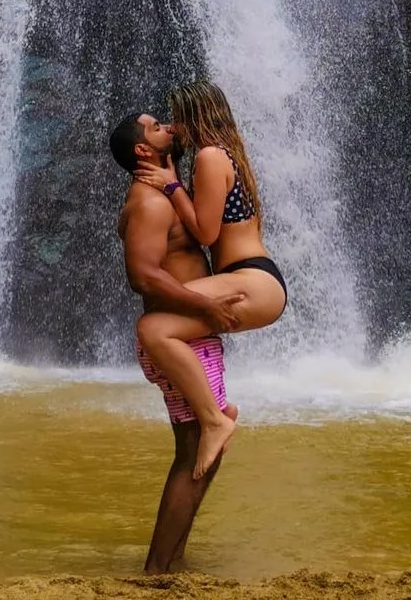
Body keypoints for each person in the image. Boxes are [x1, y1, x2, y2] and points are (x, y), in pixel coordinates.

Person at [133, 80, 288, 478]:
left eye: (177, 119)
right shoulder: (229, 152)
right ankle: (220, 409)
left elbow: (206, 233)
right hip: (255, 279)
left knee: (153, 328)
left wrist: (170, 187)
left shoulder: (210, 156)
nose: (173, 128)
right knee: (161, 327)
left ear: (193, 116)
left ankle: (215, 420)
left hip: (250, 279)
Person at [111, 112, 245, 572]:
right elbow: (142, 275)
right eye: (156, 127)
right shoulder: (149, 201)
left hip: (186, 338)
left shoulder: (164, 193)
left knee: (202, 446)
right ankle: (157, 570)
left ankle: (172, 561)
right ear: (143, 152)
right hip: (179, 338)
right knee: (194, 449)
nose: (169, 127)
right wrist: (205, 307)